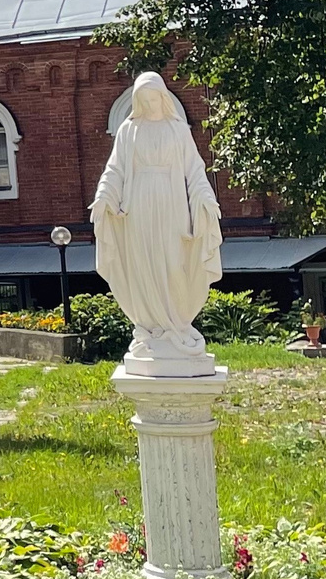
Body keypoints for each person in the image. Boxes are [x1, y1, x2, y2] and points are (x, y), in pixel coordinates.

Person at [90, 71, 225, 375]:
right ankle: (151, 327)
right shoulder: (129, 130)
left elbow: (194, 170)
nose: (150, 104)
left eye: (155, 98)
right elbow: (115, 170)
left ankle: (176, 323)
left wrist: (204, 199)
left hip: (171, 204)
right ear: (138, 100)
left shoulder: (178, 131)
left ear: (163, 97)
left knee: (172, 263)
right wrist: (104, 196)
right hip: (138, 207)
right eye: (145, 99)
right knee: (144, 265)